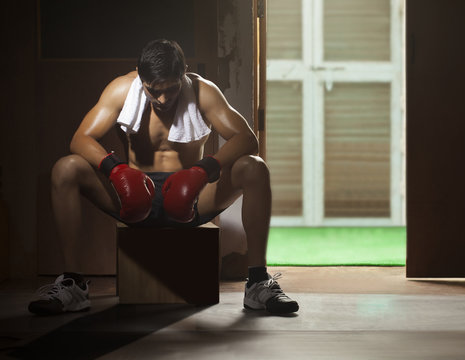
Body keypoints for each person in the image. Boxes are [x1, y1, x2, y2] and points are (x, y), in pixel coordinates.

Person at [28, 39, 298, 315]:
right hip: (134, 198)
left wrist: (203, 170)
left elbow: (246, 138)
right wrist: (116, 170)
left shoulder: (204, 92)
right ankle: (73, 284)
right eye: (153, 91)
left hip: (192, 199)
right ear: (140, 77)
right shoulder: (122, 89)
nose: (163, 100)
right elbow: (80, 139)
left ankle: (257, 282)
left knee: (254, 166)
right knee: (66, 167)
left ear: (184, 73)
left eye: (171, 90)